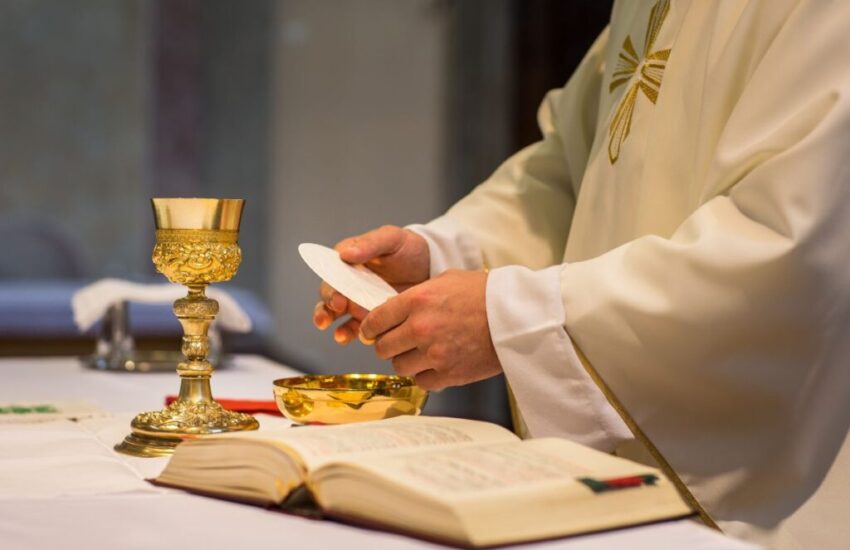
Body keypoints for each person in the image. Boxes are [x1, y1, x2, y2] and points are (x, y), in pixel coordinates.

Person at [312, 0, 850, 547]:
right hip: (622, 493)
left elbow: (791, 250)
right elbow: (576, 173)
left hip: (769, 491)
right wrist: (444, 257)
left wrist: (509, 315)